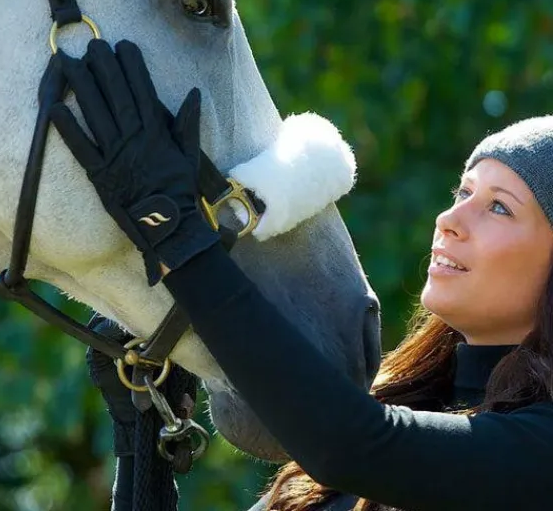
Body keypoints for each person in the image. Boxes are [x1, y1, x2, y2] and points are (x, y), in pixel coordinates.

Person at [49, 39, 553, 511]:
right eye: (463, 194)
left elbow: (357, 446)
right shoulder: (394, 404)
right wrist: (142, 445)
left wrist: (181, 241)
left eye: (500, 209)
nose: (450, 221)